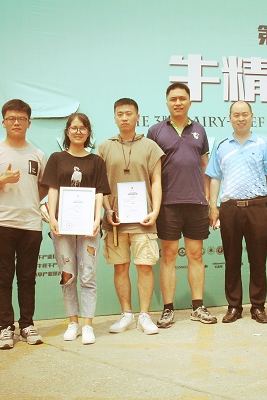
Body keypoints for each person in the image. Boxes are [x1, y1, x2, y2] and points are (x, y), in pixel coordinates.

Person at [0, 99, 48, 349]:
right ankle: (6, 327)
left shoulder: (38, 154)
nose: (16, 123)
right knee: (4, 277)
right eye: (11, 118)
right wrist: (2, 181)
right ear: (3, 122)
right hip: (3, 223)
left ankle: (27, 324)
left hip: (31, 224)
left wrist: (29, 200)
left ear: (29, 123)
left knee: (27, 278)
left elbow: (43, 187)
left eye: (21, 119)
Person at [147, 82, 217, 328]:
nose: (178, 103)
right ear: (167, 102)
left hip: (196, 203)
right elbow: (151, 171)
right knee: (168, 255)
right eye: (173, 99)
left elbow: (205, 166)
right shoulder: (156, 131)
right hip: (168, 203)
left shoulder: (199, 130)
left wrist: (208, 198)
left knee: (196, 254)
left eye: (182, 98)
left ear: (190, 101)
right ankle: (168, 309)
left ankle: (198, 307)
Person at [205, 101, 267, 324]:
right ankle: (234, 306)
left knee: (258, 259)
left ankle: (258, 306)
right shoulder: (222, 146)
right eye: (236, 115)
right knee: (231, 259)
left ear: (251, 116)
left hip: (257, 207)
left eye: (245, 114)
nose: (241, 118)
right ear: (230, 118)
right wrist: (213, 207)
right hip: (229, 208)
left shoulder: (262, 144)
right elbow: (214, 178)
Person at [41, 113, 110, 344]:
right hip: (63, 226)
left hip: (89, 226)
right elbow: (53, 189)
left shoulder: (96, 161)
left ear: (88, 132)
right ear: (67, 131)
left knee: (88, 275)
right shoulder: (57, 158)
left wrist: (97, 219)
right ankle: (73, 322)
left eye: (82, 128)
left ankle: (88, 324)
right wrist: (52, 217)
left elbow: (99, 192)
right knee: (68, 275)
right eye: (74, 128)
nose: (78, 132)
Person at [99, 98, 164, 335]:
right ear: (114, 117)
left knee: (145, 267)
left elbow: (156, 181)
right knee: (120, 267)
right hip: (115, 221)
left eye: (129, 113)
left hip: (143, 220)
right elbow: (100, 185)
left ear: (138, 117)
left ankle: (144, 316)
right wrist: (107, 210)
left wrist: (155, 211)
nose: (124, 118)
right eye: (120, 114)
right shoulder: (104, 147)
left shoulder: (150, 146)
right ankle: (126, 314)